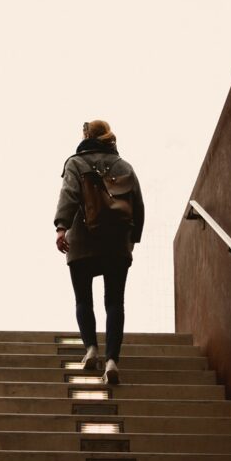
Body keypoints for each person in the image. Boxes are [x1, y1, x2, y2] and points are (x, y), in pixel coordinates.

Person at [53, 120, 144, 385]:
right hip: (116, 243)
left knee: (83, 300)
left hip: (82, 241)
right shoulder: (124, 166)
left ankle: (91, 348)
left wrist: (61, 227)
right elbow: (138, 204)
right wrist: (132, 239)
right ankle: (112, 360)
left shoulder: (76, 163)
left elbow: (69, 194)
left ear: (86, 136)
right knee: (115, 302)